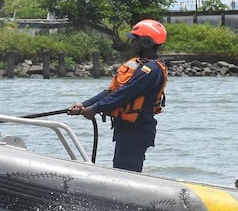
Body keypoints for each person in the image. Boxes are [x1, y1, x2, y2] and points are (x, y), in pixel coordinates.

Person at [68, 19, 169, 172]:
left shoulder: (151, 71)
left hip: (136, 131)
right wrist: (86, 104)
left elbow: (124, 94)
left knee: (126, 171)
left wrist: (95, 109)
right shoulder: (138, 65)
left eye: (134, 40)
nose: (131, 44)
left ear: (146, 42)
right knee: (121, 169)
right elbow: (113, 91)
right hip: (126, 129)